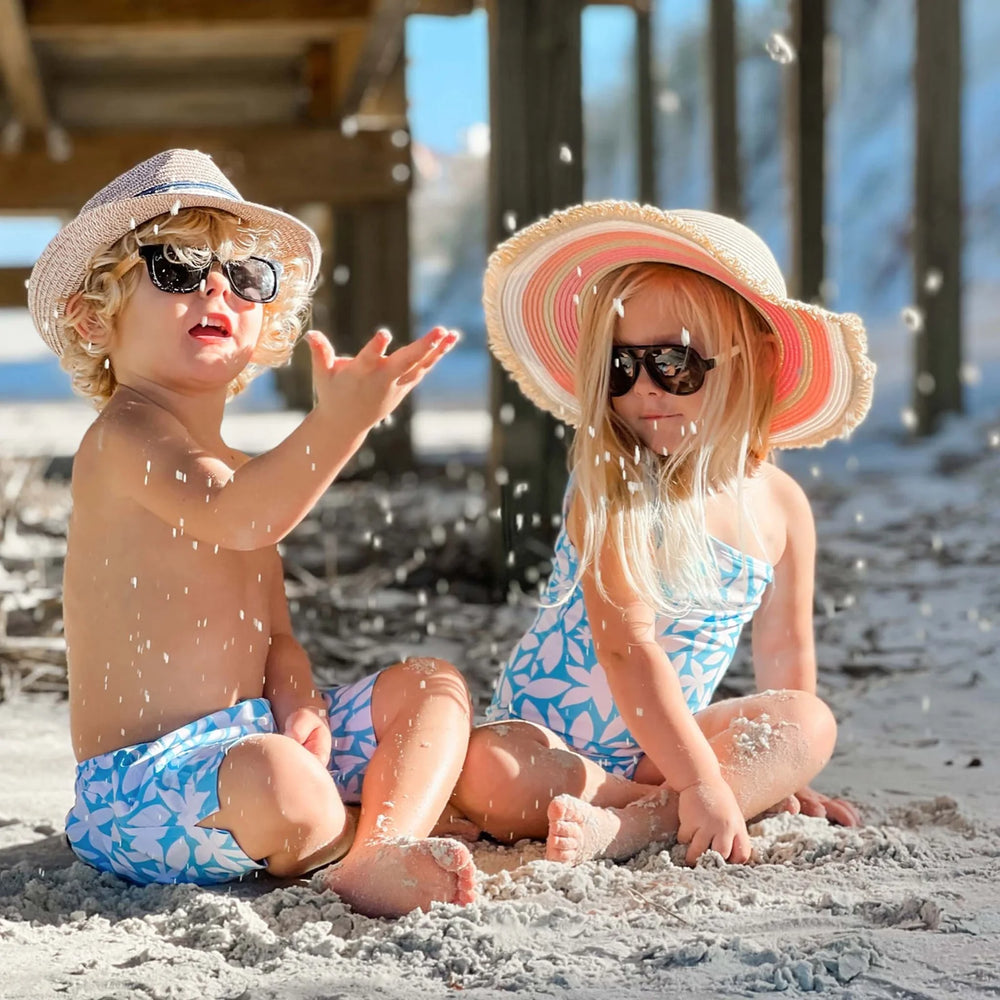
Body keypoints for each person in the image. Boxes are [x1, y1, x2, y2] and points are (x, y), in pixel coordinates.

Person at [29, 148, 477, 918]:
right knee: (280, 780)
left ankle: (376, 847)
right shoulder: (121, 440)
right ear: (95, 316)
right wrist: (339, 425)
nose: (216, 287)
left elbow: (273, 633)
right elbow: (243, 515)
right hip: (142, 782)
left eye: (244, 278)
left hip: (254, 743)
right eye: (176, 266)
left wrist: (299, 699)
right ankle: (365, 831)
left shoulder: (241, 470)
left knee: (433, 684)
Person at [452, 202, 876, 867]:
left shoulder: (784, 506)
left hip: (664, 753)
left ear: (757, 363)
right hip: (550, 746)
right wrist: (708, 783)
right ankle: (665, 810)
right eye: (623, 368)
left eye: (675, 364)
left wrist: (788, 769)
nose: (645, 388)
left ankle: (633, 824)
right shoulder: (613, 486)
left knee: (808, 720)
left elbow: (786, 649)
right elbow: (627, 648)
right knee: (485, 770)